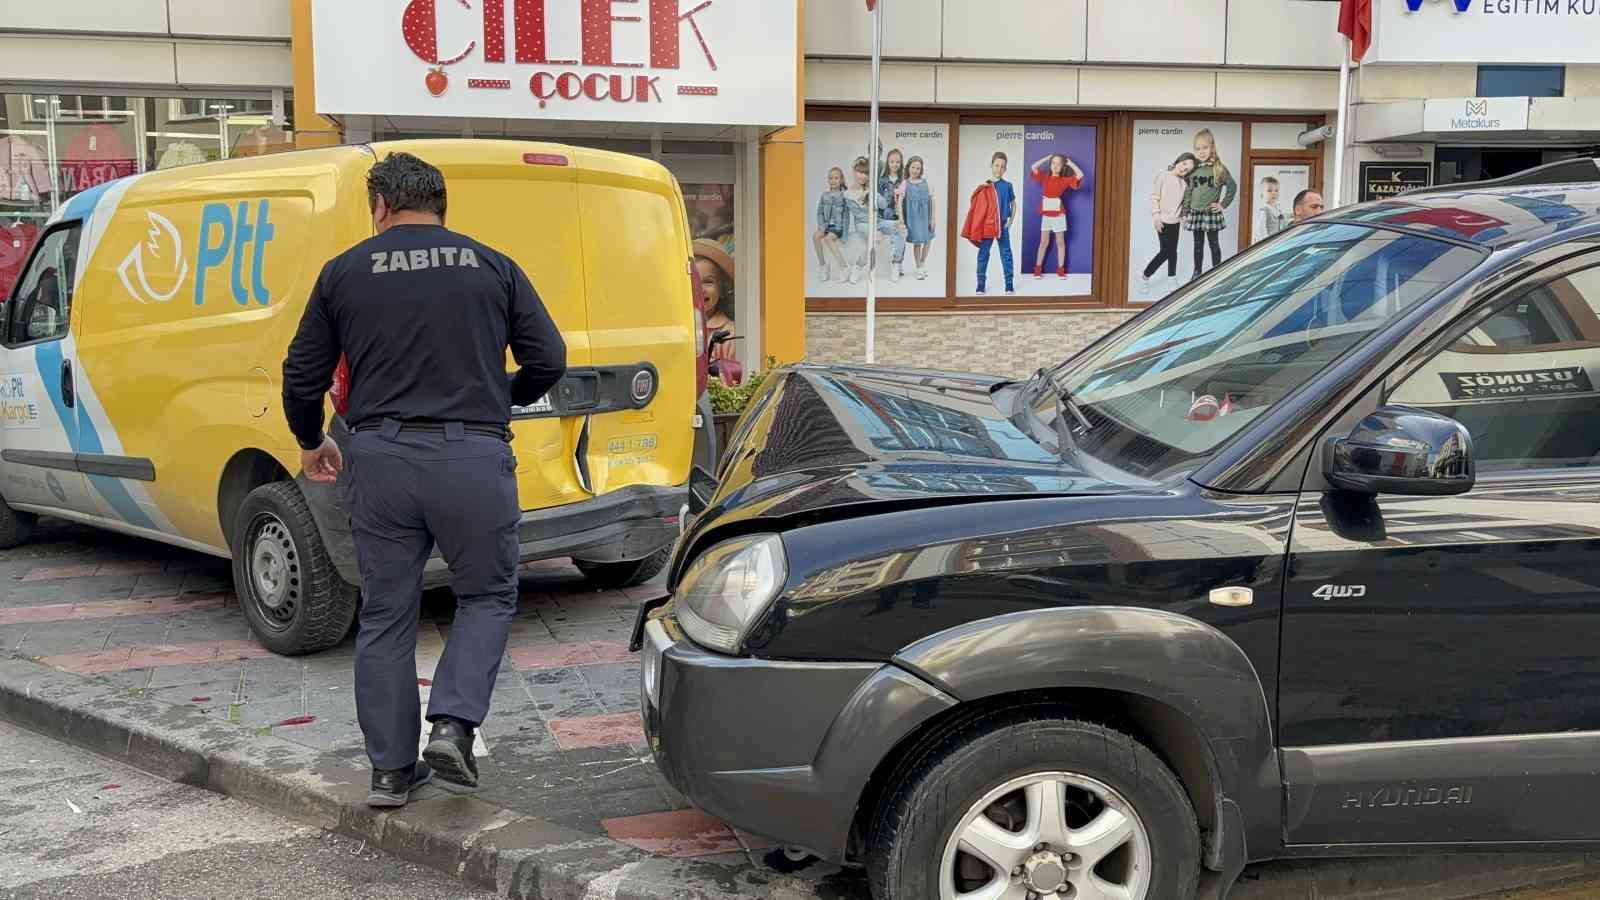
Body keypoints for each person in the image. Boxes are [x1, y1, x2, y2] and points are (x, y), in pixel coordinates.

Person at [281, 152, 566, 808]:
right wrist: (502, 395)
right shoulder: (492, 265)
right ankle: (454, 725)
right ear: (441, 206)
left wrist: (309, 440)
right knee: (488, 595)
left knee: (386, 612)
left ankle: (389, 772)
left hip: (378, 459)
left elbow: (302, 375)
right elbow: (549, 359)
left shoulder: (344, 272)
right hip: (472, 458)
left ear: (380, 206)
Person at [1182, 128, 1238, 280]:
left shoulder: (1218, 168)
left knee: (1214, 243)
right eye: (1198, 148)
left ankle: (1216, 271)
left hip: (1210, 213)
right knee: (1197, 244)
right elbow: (1188, 192)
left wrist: (1222, 204)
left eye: (1205, 148)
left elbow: (1232, 186)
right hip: (1195, 212)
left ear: (1212, 148)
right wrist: (1185, 212)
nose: (1201, 152)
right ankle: (1197, 271)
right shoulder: (1192, 170)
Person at [1141, 152, 1198, 297]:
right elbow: (1155, 197)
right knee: (1166, 251)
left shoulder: (1184, 184)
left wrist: (1185, 217)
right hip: (1162, 221)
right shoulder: (1163, 176)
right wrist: (1156, 217)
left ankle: (1171, 279)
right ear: (1179, 160)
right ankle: (1145, 276)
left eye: (1188, 170)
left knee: (1172, 251)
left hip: (1175, 222)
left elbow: (1185, 205)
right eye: (1184, 164)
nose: (1184, 169)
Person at [1030, 153, 1084, 279]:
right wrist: (1046, 158)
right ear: (1050, 164)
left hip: (1059, 214)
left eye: (1058, 164)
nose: (1055, 166)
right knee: (1043, 242)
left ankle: (1060, 270)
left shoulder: (1065, 180)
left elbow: (1080, 175)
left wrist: (1069, 162)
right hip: (1046, 214)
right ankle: (1037, 269)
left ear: (1062, 166)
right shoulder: (1044, 177)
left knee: (1060, 242)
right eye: (1053, 163)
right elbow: (1033, 167)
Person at [974, 151, 1016, 295]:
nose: (999, 169)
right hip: (988, 225)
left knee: (1006, 254)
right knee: (983, 253)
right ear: (991, 165)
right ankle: (980, 284)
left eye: (1002, 166)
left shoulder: (1008, 185)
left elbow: (1013, 204)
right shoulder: (985, 186)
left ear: (1005, 169)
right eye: (996, 165)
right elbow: (978, 208)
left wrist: (1010, 222)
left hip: (1003, 225)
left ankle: (1009, 283)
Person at [694, 237, 737, 363]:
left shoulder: (729, 333)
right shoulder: (682, 328)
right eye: (693, 282)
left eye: (708, 282)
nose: (700, 289)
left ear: (722, 288)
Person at [898, 155, 937, 281]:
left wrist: (933, 219)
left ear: (921, 170)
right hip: (913, 218)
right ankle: (918, 267)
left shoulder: (927, 183)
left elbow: (932, 200)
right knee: (918, 242)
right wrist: (902, 220)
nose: (915, 170)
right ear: (908, 167)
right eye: (913, 167)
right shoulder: (905, 183)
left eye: (918, 168)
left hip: (926, 217)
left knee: (928, 240)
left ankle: (922, 262)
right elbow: (899, 203)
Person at [812, 166, 850, 283]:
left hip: (838, 227)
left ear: (841, 180)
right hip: (826, 226)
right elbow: (819, 213)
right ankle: (823, 265)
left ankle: (844, 267)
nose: (833, 180)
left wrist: (844, 234)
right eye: (831, 178)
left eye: (836, 178)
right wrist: (821, 226)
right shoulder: (824, 196)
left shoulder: (845, 196)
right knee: (815, 236)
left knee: (828, 239)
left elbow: (847, 216)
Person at [879, 148, 909, 279]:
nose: (895, 164)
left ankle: (897, 263)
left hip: (900, 215)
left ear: (901, 163)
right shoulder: (882, 181)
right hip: (886, 217)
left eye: (898, 162)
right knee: (898, 232)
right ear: (888, 163)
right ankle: (897, 262)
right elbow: (878, 201)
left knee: (902, 232)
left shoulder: (904, 180)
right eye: (892, 161)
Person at [1257, 176, 1288, 240]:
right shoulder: (1264, 210)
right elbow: (1261, 230)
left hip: (1279, 241)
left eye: (1276, 190)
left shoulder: (1279, 209)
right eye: (1269, 190)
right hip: (1269, 243)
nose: (1273, 193)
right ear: (1261, 194)